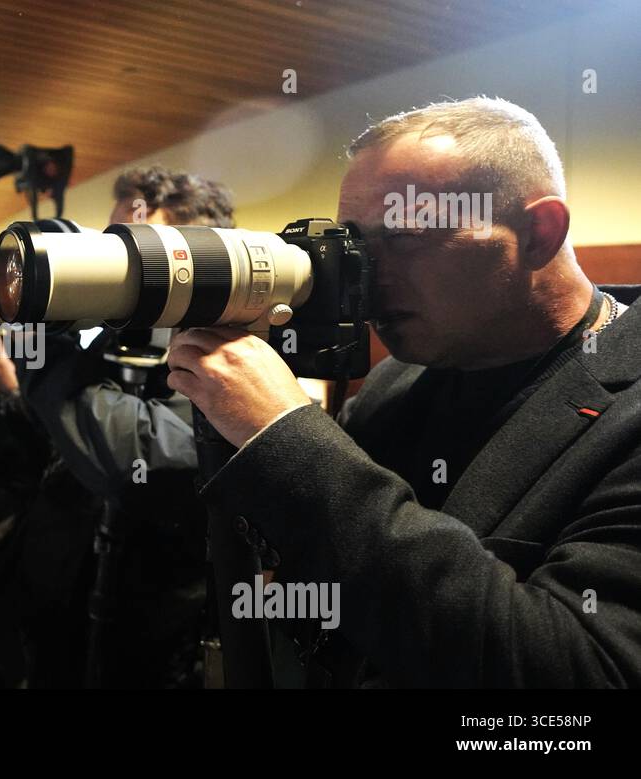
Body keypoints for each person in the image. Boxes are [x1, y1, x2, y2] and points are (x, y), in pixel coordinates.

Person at [167, 96, 641, 687]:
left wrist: (287, 438)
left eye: (408, 236)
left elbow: (577, 673)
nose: (368, 275)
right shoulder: (400, 375)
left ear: (539, 232)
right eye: (358, 243)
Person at [0, 167, 237, 687]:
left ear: (193, 256)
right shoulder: (119, 340)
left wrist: (39, 344)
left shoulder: (227, 348)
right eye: (116, 241)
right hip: (60, 617)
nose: (122, 264)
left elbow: (143, 460)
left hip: (147, 640)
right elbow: (65, 449)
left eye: (138, 248)